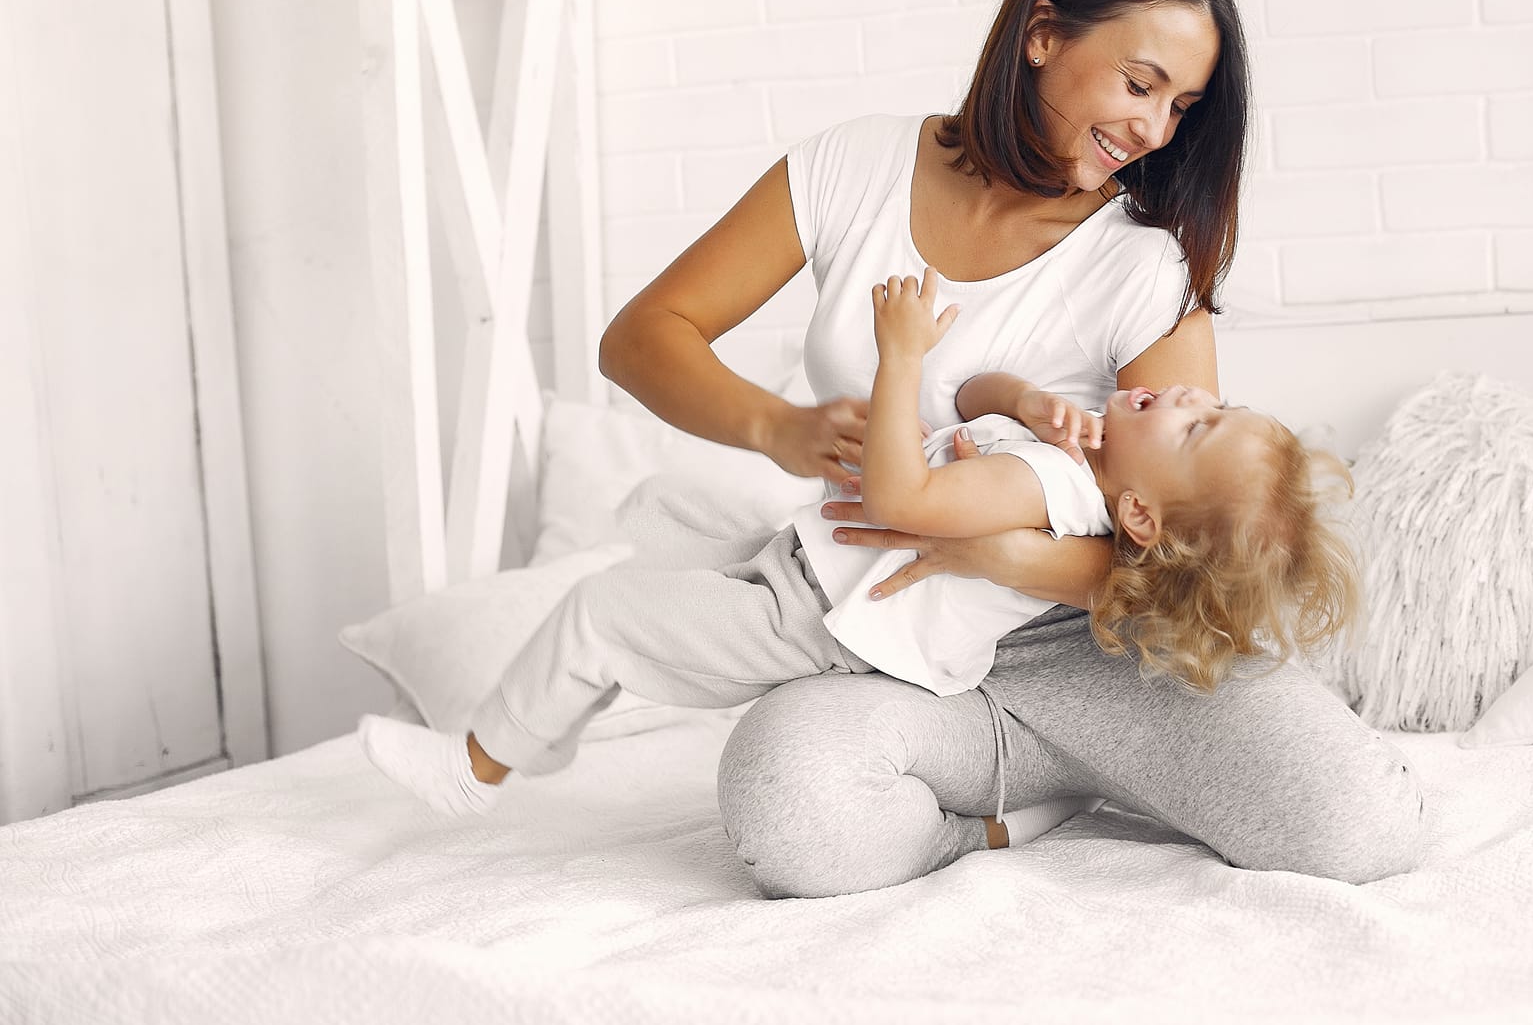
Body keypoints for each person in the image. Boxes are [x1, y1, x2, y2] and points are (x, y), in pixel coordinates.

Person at [602, 0, 1421, 892]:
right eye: (1139, 83)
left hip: (1097, 647)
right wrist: (774, 426)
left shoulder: (1143, 265)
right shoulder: (848, 169)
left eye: (1179, 107)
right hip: (902, 636)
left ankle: (1100, 769)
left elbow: (1172, 562)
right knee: (785, 803)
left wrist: (997, 551)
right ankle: (1004, 818)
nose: (1152, 128)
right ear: (1041, 35)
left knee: (1360, 829)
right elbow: (641, 338)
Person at [358, 267, 1359, 844]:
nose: (1185, 393)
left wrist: (903, 358)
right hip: (800, 563)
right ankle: (554, 717)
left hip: (818, 622)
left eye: (1194, 427)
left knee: (600, 611)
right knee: (665, 518)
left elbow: (900, 496)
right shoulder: (1071, 453)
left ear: (1138, 516)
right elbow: (970, 409)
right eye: (1211, 402)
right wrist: (1014, 399)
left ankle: (478, 767)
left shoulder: (1052, 492)